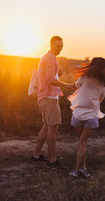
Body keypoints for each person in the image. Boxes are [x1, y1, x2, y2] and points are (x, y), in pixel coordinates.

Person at [30, 36, 75, 170]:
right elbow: (50, 80)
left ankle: (36, 156)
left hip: (45, 96)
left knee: (46, 126)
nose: (60, 48)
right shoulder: (50, 58)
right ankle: (52, 160)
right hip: (49, 98)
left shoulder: (48, 57)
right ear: (51, 45)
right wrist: (69, 86)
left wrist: (57, 74)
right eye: (57, 46)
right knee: (52, 128)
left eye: (61, 46)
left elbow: (48, 78)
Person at [68, 57, 105, 178]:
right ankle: (83, 168)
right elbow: (100, 100)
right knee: (83, 142)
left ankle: (77, 170)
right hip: (91, 115)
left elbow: (76, 86)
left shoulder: (84, 77)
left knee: (81, 142)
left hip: (78, 114)